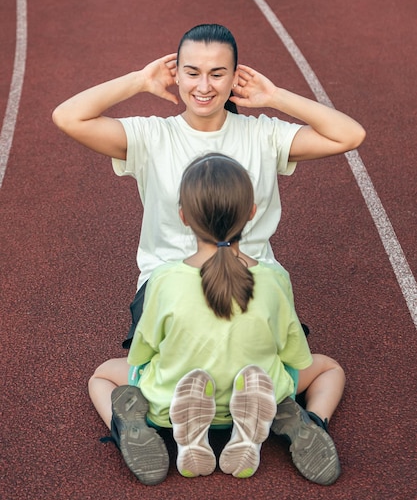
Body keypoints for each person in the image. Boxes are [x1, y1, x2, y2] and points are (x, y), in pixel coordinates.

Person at [52, 23, 366, 351]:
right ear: (176, 75)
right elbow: (68, 117)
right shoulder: (151, 137)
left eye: (217, 74)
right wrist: (140, 80)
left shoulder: (264, 134)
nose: (204, 86)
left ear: (234, 78)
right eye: (192, 72)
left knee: (265, 375)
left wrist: (274, 97)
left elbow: (349, 135)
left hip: (249, 277)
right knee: (174, 378)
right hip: (169, 282)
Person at [88, 154, 345, 486]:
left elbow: (142, 352)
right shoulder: (274, 277)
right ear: (252, 212)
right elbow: (295, 354)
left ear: (183, 216)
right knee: (330, 369)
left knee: (102, 377)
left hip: (170, 400)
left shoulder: (164, 279)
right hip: (262, 389)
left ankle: (128, 430)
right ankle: (308, 422)